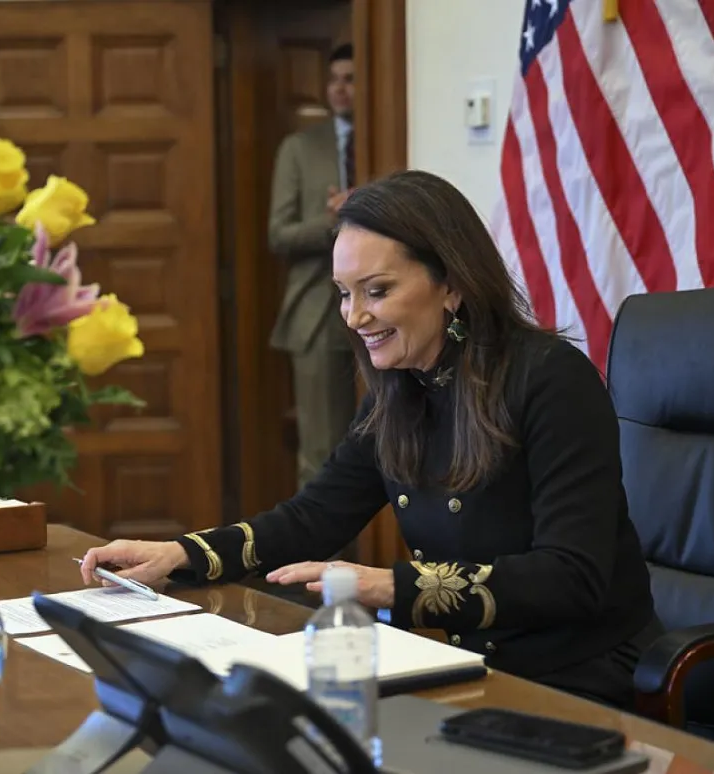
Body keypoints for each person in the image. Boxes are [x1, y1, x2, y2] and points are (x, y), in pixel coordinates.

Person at [79, 170, 661, 709]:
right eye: (343, 293)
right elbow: (314, 517)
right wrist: (180, 554)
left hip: (575, 678)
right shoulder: (399, 388)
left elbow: (572, 577)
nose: (354, 317)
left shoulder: (551, 378)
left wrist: (390, 586)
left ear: (451, 285)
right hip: (455, 668)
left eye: (376, 291)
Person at [268, 43, 359, 491]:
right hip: (317, 314)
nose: (341, 89)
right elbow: (278, 234)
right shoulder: (300, 148)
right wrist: (334, 222)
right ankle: (320, 562)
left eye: (351, 79)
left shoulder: (386, 132)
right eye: (334, 79)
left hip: (383, 311)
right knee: (322, 454)